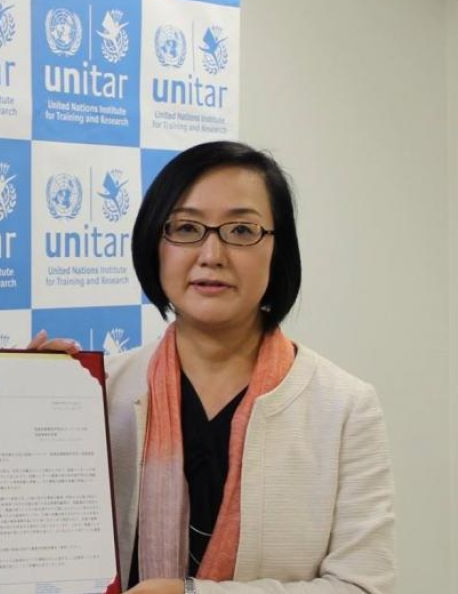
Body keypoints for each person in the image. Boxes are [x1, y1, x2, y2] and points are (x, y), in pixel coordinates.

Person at [103, 141, 395, 593]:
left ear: (279, 250)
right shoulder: (102, 392)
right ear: (153, 244)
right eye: (186, 228)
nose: (211, 254)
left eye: (241, 230)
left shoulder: (344, 408)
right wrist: (36, 399)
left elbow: (365, 587)